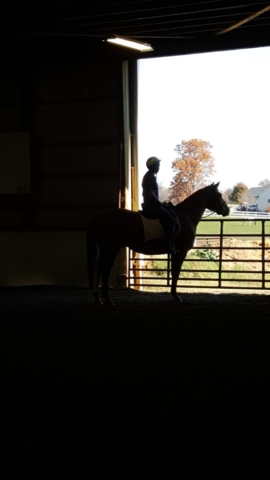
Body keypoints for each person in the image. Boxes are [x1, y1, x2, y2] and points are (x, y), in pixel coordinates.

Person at [141, 156, 179, 254]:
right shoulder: (152, 177)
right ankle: (167, 244)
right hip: (152, 206)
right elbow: (151, 194)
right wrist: (160, 203)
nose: (159, 167)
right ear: (154, 166)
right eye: (158, 165)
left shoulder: (147, 176)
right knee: (172, 221)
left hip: (149, 204)